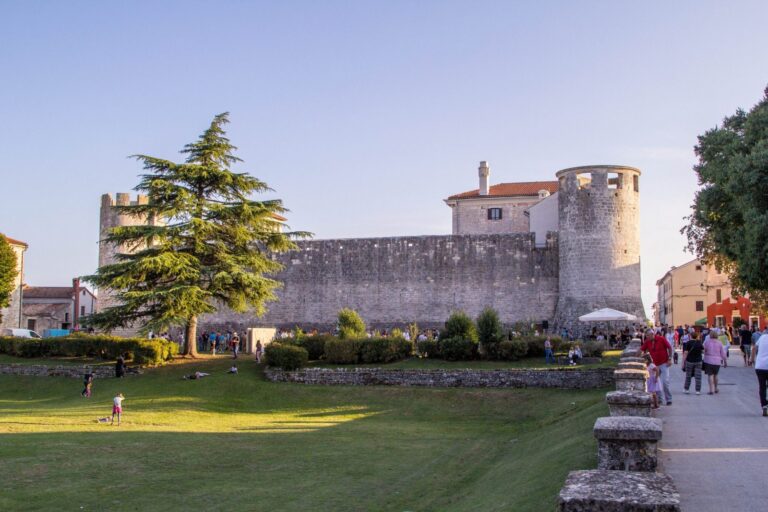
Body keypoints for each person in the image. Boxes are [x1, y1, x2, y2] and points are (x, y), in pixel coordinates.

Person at [642, 329, 673, 405]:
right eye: (646, 336)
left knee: (665, 382)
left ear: (652, 334)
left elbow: (669, 348)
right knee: (655, 382)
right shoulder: (648, 342)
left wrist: (669, 358)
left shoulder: (661, 339)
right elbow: (641, 349)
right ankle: (659, 400)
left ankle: (669, 399)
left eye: (648, 336)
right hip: (655, 365)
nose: (647, 337)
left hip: (664, 363)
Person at [703, 330, 727, 395]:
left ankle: (711, 390)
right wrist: (725, 362)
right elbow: (723, 353)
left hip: (708, 360)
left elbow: (703, 350)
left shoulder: (707, 342)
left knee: (710, 375)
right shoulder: (719, 343)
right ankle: (716, 388)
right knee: (716, 375)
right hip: (717, 361)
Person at [751, 327, 768, 416]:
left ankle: (764, 406)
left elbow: (754, 348)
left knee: (762, 386)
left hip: (760, 366)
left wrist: (751, 359)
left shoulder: (762, 338)